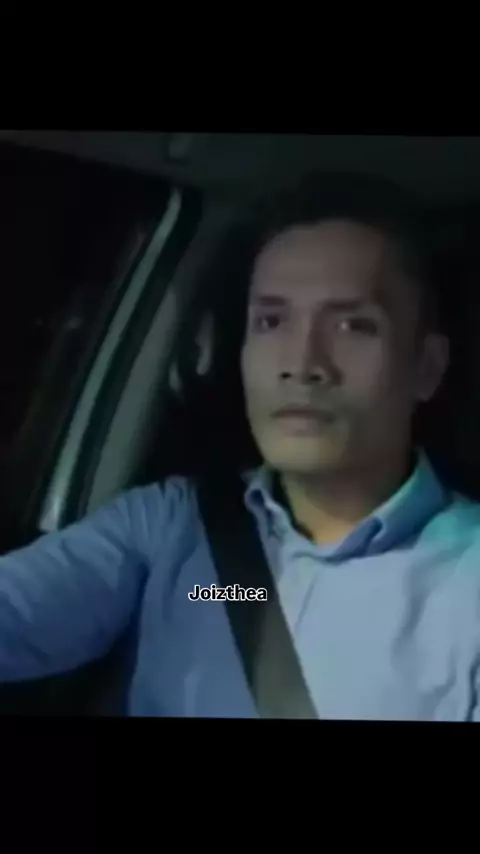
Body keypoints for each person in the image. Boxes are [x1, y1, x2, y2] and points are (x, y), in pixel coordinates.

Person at [0, 171, 479, 721]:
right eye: (271, 321)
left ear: (426, 367)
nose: (301, 364)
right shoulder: (168, 528)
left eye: (352, 326)